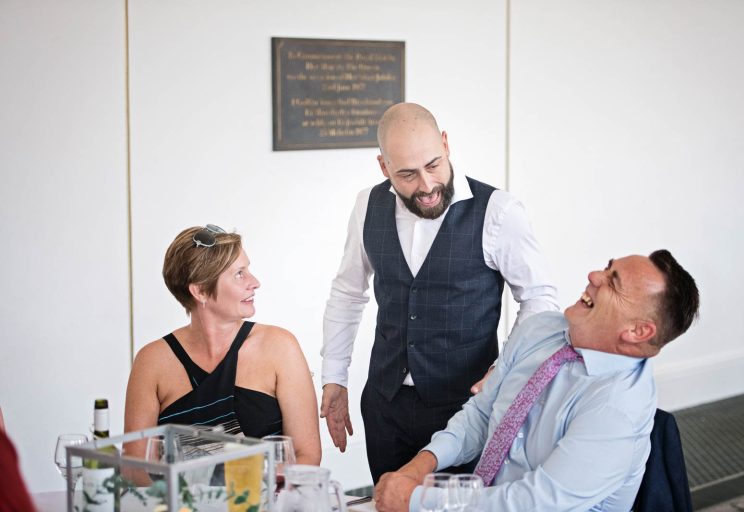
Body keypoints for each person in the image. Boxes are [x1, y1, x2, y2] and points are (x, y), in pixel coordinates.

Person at [320, 102, 559, 483]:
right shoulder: (368, 204)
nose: (427, 186)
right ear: (384, 167)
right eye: (408, 174)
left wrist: (506, 366)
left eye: (433, 165)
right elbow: (348, 292)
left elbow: (540, 298)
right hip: (385, 405)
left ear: (445, 144)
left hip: (466, 409)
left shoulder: (498, 211)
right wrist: (335, 376)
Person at [373, 250, 700, 512]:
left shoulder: (618, 409)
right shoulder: (541, 330)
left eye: (612, 282)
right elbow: (481, 414)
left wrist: (416, 501)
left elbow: (537, 502)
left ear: (637, 332)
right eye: (607, 267)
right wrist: (422, 463)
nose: (593, 276)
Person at [125, 225, 321, 465]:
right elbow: (135, 466)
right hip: (182, 502)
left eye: (248, 270)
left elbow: (306, 456)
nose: (255, 282)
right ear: (200, 291)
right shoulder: (151, 362)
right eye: (239, 274)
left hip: (268, 500)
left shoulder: (280, 347)